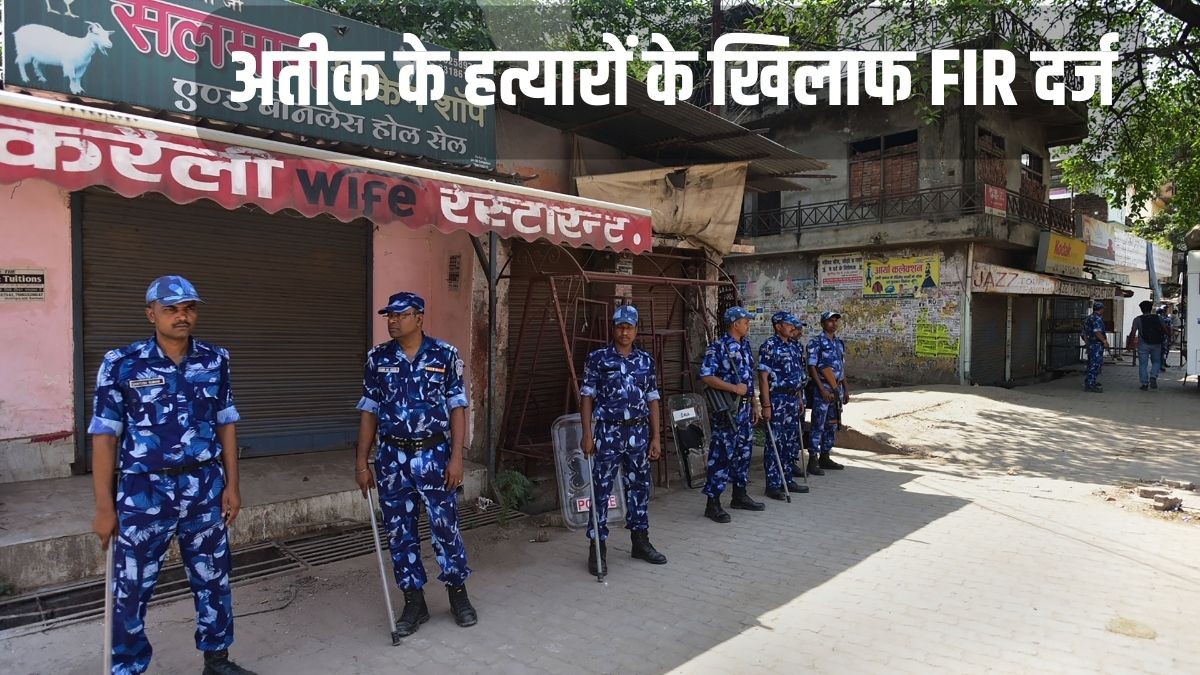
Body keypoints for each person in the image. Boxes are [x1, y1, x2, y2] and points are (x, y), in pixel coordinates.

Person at [89, 275, 254, 675]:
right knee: (131, 587)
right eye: (171, 309)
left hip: (204, 486)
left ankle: (217, 660)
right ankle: (127, 667)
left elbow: (226, 423)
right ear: (151, 314)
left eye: (189, 308)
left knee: (213, 577)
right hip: (144, 490)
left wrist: (232, 485)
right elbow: (104, 437)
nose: (182, 316)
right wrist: (104, 507)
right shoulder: (121, 363)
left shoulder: (215, 360)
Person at [354, 292, 476, 637]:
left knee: (445, 527)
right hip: (392, 459)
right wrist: (361, 462)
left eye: (400, 315)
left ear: (419, 318)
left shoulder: (445, 355)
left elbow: (457, 408)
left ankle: (458, 595)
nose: (392, 321)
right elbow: (369, 411)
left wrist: (457, 457)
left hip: (435, 456)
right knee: (400, 532)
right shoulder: (377, 358)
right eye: (389, 316)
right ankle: (413, 602)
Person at [579, 305, 667, 576]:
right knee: (602, 489)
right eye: (620, 327)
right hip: (608, 432)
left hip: (638, 433)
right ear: (613, 328)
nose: (624, 332)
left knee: (640, 487)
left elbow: (653, 399)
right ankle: (597, 547)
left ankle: (640, 541)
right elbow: (587, 396)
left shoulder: (645, 361)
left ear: (636, 330)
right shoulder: (598, 359)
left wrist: (656, 437)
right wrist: (587, 433)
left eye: (629, 327)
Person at [699, 306, 764, 523]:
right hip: (728, 410)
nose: (748, 325)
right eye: (746, 322)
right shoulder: (718, 347)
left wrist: (754, 403)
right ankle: (713, 503)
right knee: (721, 455)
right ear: (735, 324)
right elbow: (706, 376)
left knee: (744, 452)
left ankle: (739, 495)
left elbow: (748, 379)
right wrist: (733, 388)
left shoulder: (745, 346)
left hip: (745, 409)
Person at [757, 312, 810, 499]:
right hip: (777, 399)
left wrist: (800, 398)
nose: (792, 328)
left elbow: (798, 375)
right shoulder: (769, 346)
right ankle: (773, 485)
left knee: (789, 441)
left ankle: (787, 479)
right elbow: (763, 377)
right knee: (775, 442)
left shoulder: (794, 346)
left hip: (793, 399)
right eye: (788, 324)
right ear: (778, 326)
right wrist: (766, 405)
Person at [806, 311, 850, 475]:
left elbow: (841, 368)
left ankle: (825, 456)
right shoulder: (816, 342)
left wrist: (845, 389)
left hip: (836, 388)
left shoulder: (839, 343)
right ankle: (813, 459)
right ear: (823, 324)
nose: (834, 324)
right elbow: (812, 367)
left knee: (832, 423)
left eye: (835, 321)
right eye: (830, 321)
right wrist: (822, 389)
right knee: (818, 424)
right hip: (822, 389)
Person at [1129, 300, 1166, 390]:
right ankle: (1153, 376)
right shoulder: (1158, 318)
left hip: (1143, 344)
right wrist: (1168, 338)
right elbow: (1165, 329)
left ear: (1141, 309)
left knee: (1143, 364)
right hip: (1156, 343)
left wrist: (1130, 343)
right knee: (1156, 361)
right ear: (1151, 308)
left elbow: (1133, 332)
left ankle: (1144, 384)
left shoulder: (1137, 319)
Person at [1081, 301, 1108, 393]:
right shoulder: (1097, 319)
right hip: (1097, 345)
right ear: (1101, 309)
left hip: (1090, 344)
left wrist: (1087, 343)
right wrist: (1104, 341)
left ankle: (1089, 381)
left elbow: (1083, 333)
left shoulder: (1087, 319)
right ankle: (1090, 385)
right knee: (1095, 365)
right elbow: (1097, 332)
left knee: (1090, 364)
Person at [1157, 305, 1171, 371]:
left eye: (1166, 309)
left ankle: (1163, 362)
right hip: (1162, 337)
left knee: (1165, 351)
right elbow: (1168, 328)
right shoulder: (1162, 318)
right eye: (1164, 309)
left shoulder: (1166, 317)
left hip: (1163, 337)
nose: (1165, 310)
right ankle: (1161, 365)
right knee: (1162, 351)